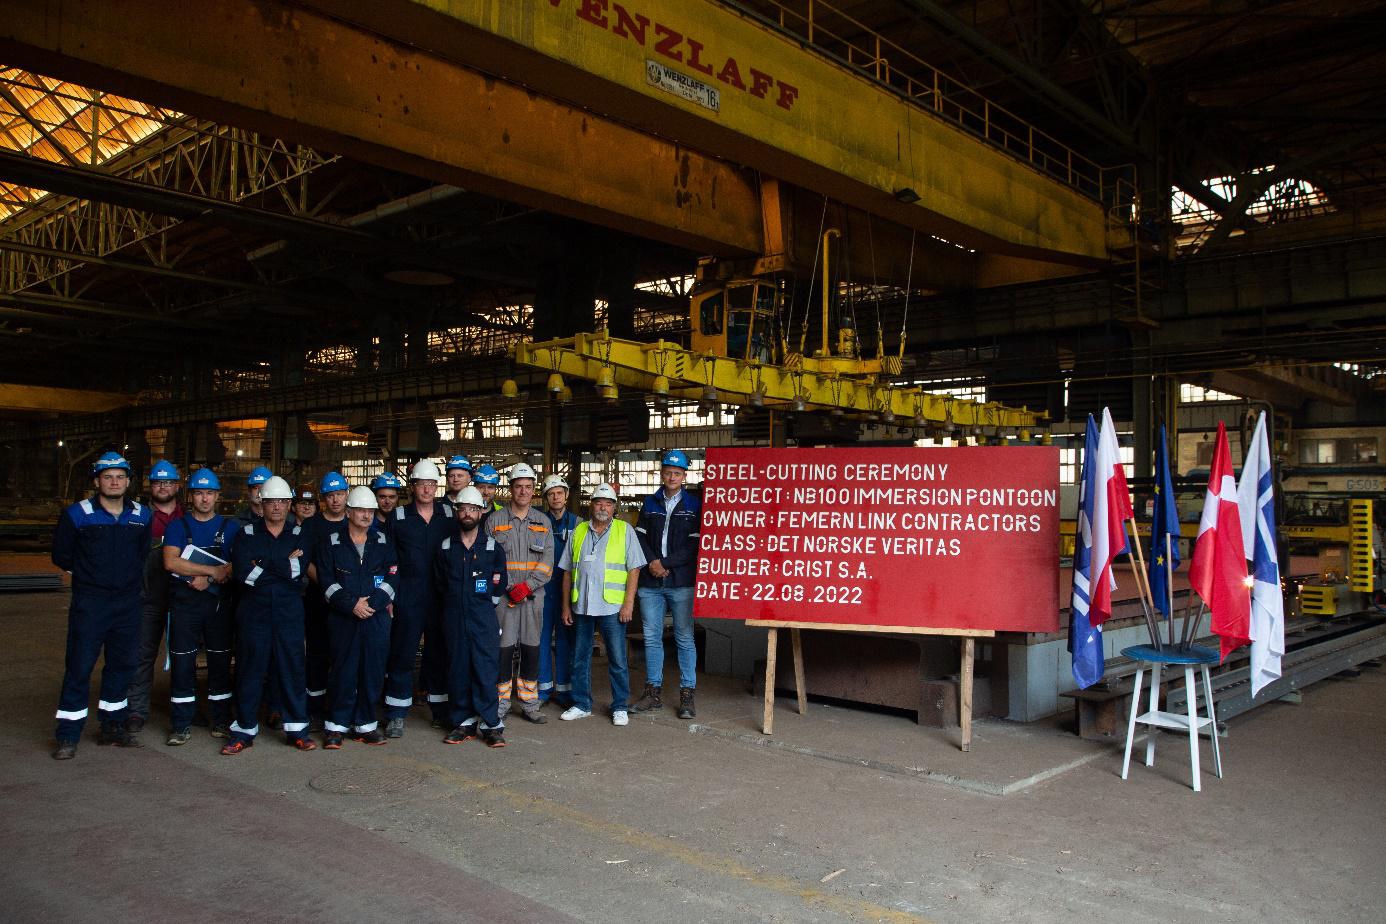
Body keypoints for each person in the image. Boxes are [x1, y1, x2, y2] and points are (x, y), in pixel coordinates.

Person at [50, 452, 153, 759]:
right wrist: (91, 577)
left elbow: (142, 553)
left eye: (120, 477)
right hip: (91, 603)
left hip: (127, 603)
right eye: (108, 477)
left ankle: (113, 726)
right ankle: (68, 735)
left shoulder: (141, 515)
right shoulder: (77, 514)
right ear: (97, 481)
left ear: (128, 482)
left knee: (123, 665)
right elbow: (61, 555)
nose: (114, 482)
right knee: (80, 665)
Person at [222, 475, 316, 754]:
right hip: (254, 612)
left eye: (282, 501)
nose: (276, 506)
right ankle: (244, 731)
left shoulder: (300, 535)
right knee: (250, 670)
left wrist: (263, 565)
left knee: (293, 670)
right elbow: (243, 574)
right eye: (271, 501)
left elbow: (299, 575)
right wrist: (283, 565)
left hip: (289, 611)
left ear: (290, 505)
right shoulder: (247, 534)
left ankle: (297, 730)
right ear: (261, 503)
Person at [314, 486, 398, 748]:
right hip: (343, 619)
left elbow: (393, 576)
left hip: (375, 618)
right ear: (349, 512)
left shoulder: (383, 541)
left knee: (372, 670)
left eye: (370, 511)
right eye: (361, 510)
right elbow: (326, 581)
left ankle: (365, 724)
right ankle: (336, 725)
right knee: (343, 671)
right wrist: (352, 605)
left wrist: (372, 604)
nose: (366, 515)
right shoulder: (331, 542)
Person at [559, 483, 645, 727]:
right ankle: (582, 704)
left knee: (617, 659)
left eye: (608, 503)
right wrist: (566, 606)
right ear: (591, 505)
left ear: (614, 507)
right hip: (582, 606)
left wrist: (628, 604)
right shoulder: (579, 531)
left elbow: (634, 569)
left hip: (612, 607)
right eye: (599, 502)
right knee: (580, 657)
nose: (603, 507)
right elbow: (567, 572)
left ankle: (619, 706)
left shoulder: (624, 530)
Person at [161, 468, 236, 745]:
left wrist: (213, 577)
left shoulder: (231, 528)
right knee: (183, 663)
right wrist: (209, 573)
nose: (204, 499)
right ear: (191, 496)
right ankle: (181, 724)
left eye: (209, 493)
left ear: (217, 496)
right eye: (199, 493)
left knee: (219, 664)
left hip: (218, 607)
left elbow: (236, 565)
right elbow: (170, 562)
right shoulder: (178, 527)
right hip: (185, 606)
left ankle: (221, 720)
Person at [381, 459, 455, 737]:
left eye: (431, 484)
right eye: (421, 484)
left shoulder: (449, 515)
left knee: (438, 653)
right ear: (412, 486)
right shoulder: (398, 518)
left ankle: (440, 711)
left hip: (439, 597)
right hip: (407, 596)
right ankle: (396, 714)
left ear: (437, 487)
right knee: (402, 653)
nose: (426, 488)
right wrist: (388, 596)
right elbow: (387, 560)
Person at [435, 485, 509, 747]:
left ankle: (491, 725)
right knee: (458, 669)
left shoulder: (491, 547)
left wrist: (483, 605)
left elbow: (500, 582)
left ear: (481, 512)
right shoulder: (446, 547)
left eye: (473, 509)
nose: (467, 513)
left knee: (485, 669)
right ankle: (463, 722)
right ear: (457, 512)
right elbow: (440, 583)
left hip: (483, 619)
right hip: (454, 617)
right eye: (463, 509)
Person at [632, 449, 702, 719]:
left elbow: (693, 545)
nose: (672, 476)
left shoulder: (694, 505)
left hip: (681, 581)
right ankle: (653, 692)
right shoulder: (649, 502)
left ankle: (687, 694)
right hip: (651, 582)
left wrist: (666, 564)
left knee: (684, 637)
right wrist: (652, 563)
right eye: (668, 472)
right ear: (661, 473)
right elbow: (640, 537)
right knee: (651, 637)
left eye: (677, 473)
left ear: (684, 476)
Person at [486, 463, 553, 724]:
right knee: (502, 650)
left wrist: (527, 586)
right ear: (510, 489)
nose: (523, 491)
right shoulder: (494, 521)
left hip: (533, 598)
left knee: (531, 649)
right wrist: (510, 586)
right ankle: (500, 703)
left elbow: (547, 562)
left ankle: (529, 703)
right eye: (518, 486)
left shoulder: (542, 522)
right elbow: (489, 560)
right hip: (504, 599)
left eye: (528, 486)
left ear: (534, 490)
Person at [126, 459, 183, 733]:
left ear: (178, 486)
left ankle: (183, 709)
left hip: (181, 598)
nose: (164, 486)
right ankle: (136, 709)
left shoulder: (188, 517)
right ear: (151, 486)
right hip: (147, 597)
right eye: (159, 482)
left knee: (183, 656)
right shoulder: (138, 518)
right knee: (143, 654)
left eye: (169, 482)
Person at [303, 470, 349, 726]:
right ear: (324, 498)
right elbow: (304, 559)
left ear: (346, 495)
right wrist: (328, 585)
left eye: (339, 494)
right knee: (318, 655)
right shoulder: (312, 525)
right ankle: (315, 708)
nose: (335, 500)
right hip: (318, 600)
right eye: (330, 495)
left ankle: (339, 707)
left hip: (347, 604)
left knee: (343, 655)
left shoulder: (352, 522)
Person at [538, 473, 579, 707]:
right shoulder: (537, 522)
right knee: (541, 640)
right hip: (542, 591)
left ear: (566, 495)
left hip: (566, 592)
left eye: (559, 493)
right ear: (546, 497)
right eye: (551, 494)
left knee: (565, 641)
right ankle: (543, 690)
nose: (555, 497)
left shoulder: (578, 523)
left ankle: (564, 691)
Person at [231, 466, 273, 530]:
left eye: (264, 487)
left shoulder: (284, 519)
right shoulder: (236, 522)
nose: (260, 492)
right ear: (249, 492)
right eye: (255, 488)